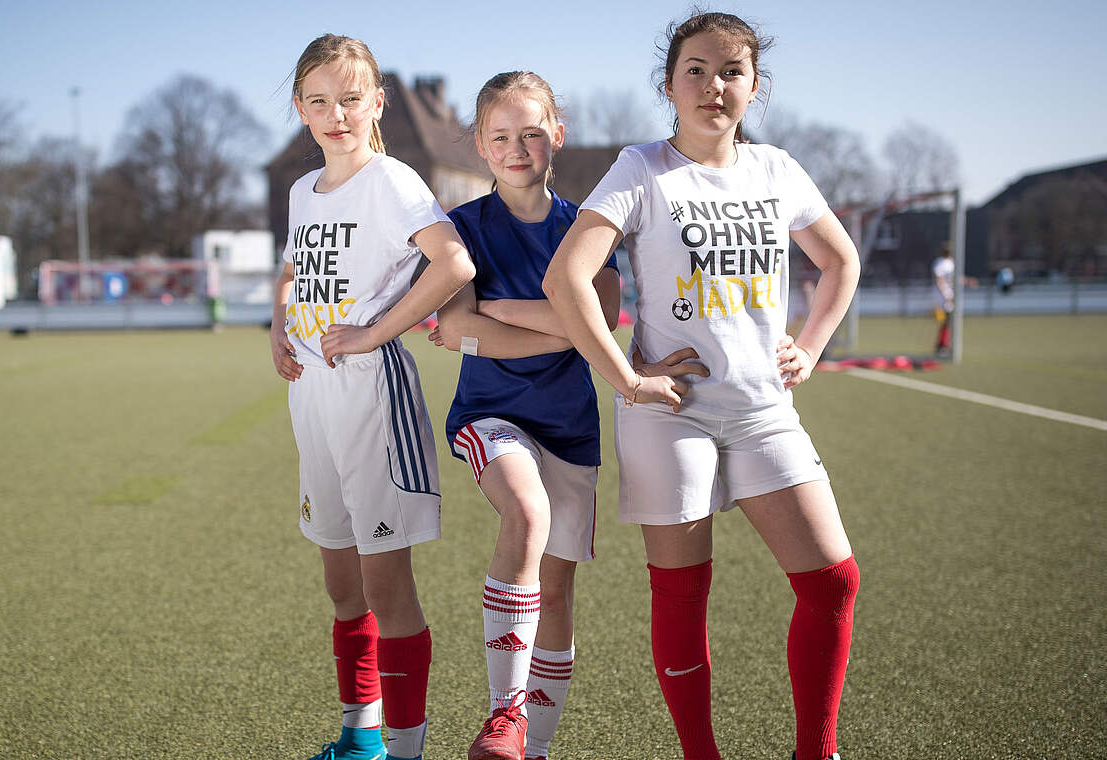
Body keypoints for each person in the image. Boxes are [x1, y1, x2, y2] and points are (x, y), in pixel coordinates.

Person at [542, 12, 862, 760]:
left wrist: (810, 348)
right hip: (674, 415)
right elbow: (568, 277)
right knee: (685, 598)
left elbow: (840, 263)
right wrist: (626, 376)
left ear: (754, 86)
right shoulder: (642, 167)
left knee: (833, 584)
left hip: (762, 412)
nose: (714, 85)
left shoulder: (777, 169)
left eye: (731, 71)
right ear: (669, 84)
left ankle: (817, 752)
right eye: (696, 70)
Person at [270, 33, 476, 760]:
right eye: (319, 101)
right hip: (311, 398)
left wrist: (374, 332)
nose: (336, 114)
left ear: (377, 102)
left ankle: (405, 748)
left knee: (387, 584)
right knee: (339, 580)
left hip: (371, 394)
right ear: (300, 109)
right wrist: (279, 329)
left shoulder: (390, 180)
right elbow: (295, 270)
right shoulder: (303, 190)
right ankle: (360, 738)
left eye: (350, 99)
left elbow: (452, 261)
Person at [427, 72, 627, 760]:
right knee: (527, 513)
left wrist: (502, 313)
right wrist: (568, 325)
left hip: (569, 425)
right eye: (502, 136)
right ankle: (504, 717)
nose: (518, 148)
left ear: (557, 138)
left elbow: (603, 314)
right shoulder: (461, 230)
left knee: (559, 586)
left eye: (532, 134)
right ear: (481, 145)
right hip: (489, 415)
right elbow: (455, 331)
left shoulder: (588, 229)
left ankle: (533, 749)